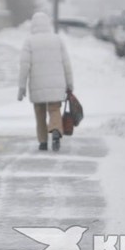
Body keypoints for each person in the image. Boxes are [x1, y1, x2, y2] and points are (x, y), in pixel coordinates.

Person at [18, 11, 74, 151]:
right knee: (55, 109)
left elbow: (24, 66)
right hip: (56, 84)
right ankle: (55, 130)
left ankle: (43, 142)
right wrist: (70, 83)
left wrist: (21, 87)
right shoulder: (57, 40)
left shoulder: (29, 41)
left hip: (37, 85)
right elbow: (66, 64)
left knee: (40, 113)